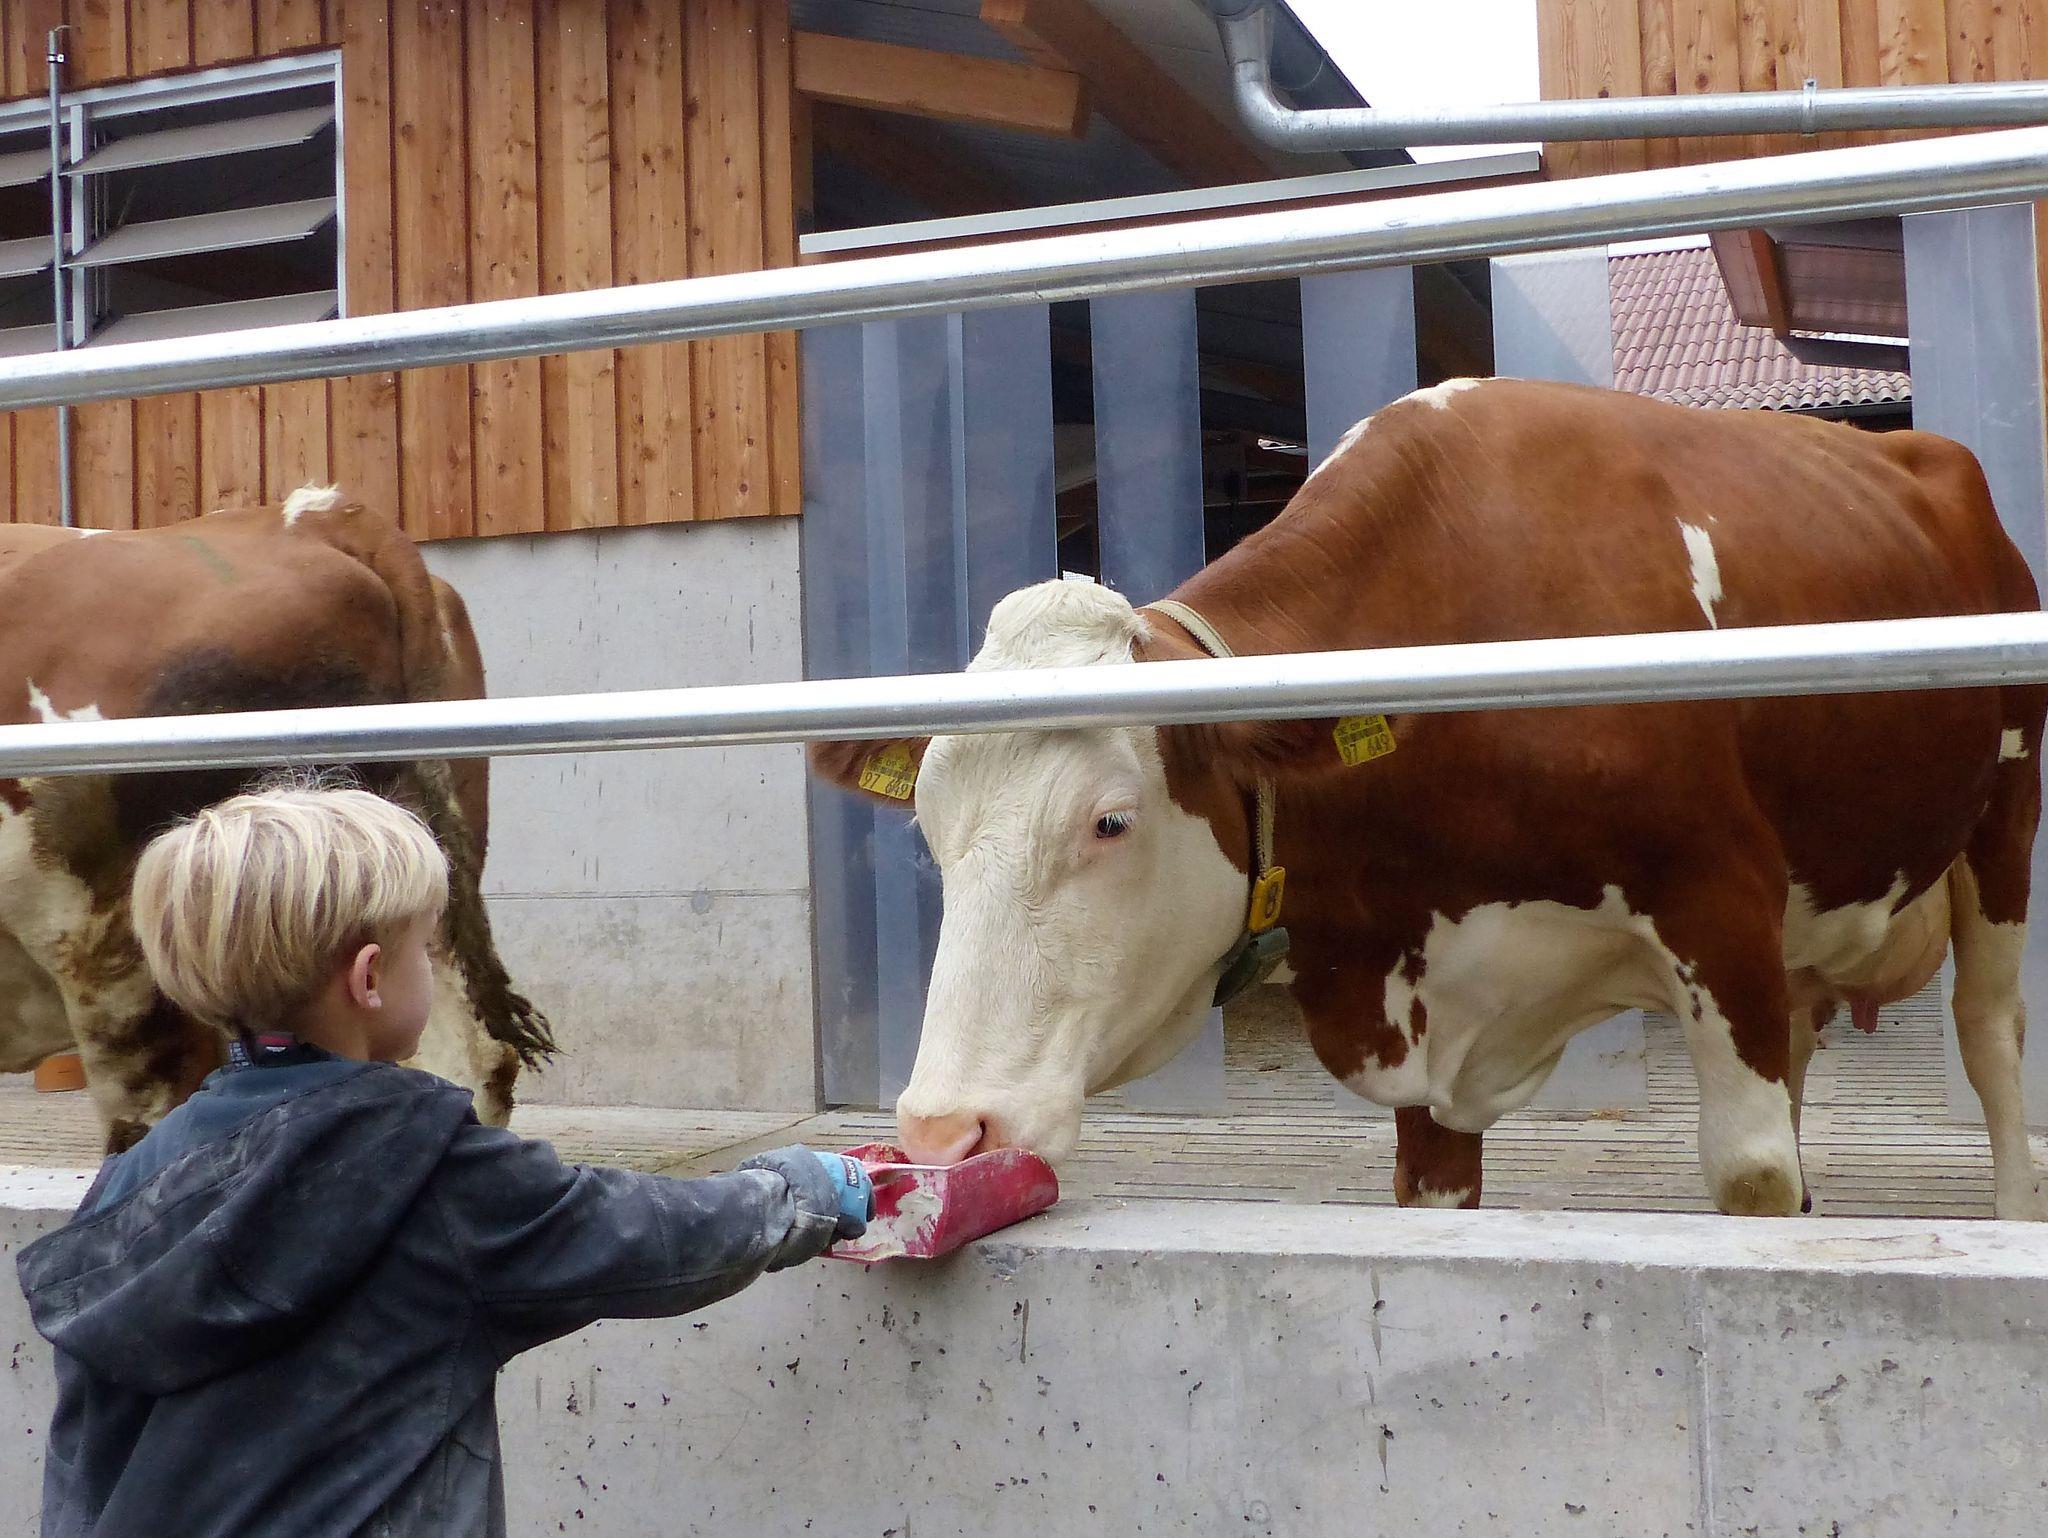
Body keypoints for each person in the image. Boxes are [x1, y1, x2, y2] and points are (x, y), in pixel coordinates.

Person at [16, 780, 873, 1538]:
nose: (432, 965)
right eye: (426, 946)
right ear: (369, 979)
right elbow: (656, 1237)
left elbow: (82, 1471)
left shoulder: (132, 1185)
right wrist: (808, 1191)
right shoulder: (428, 1171)